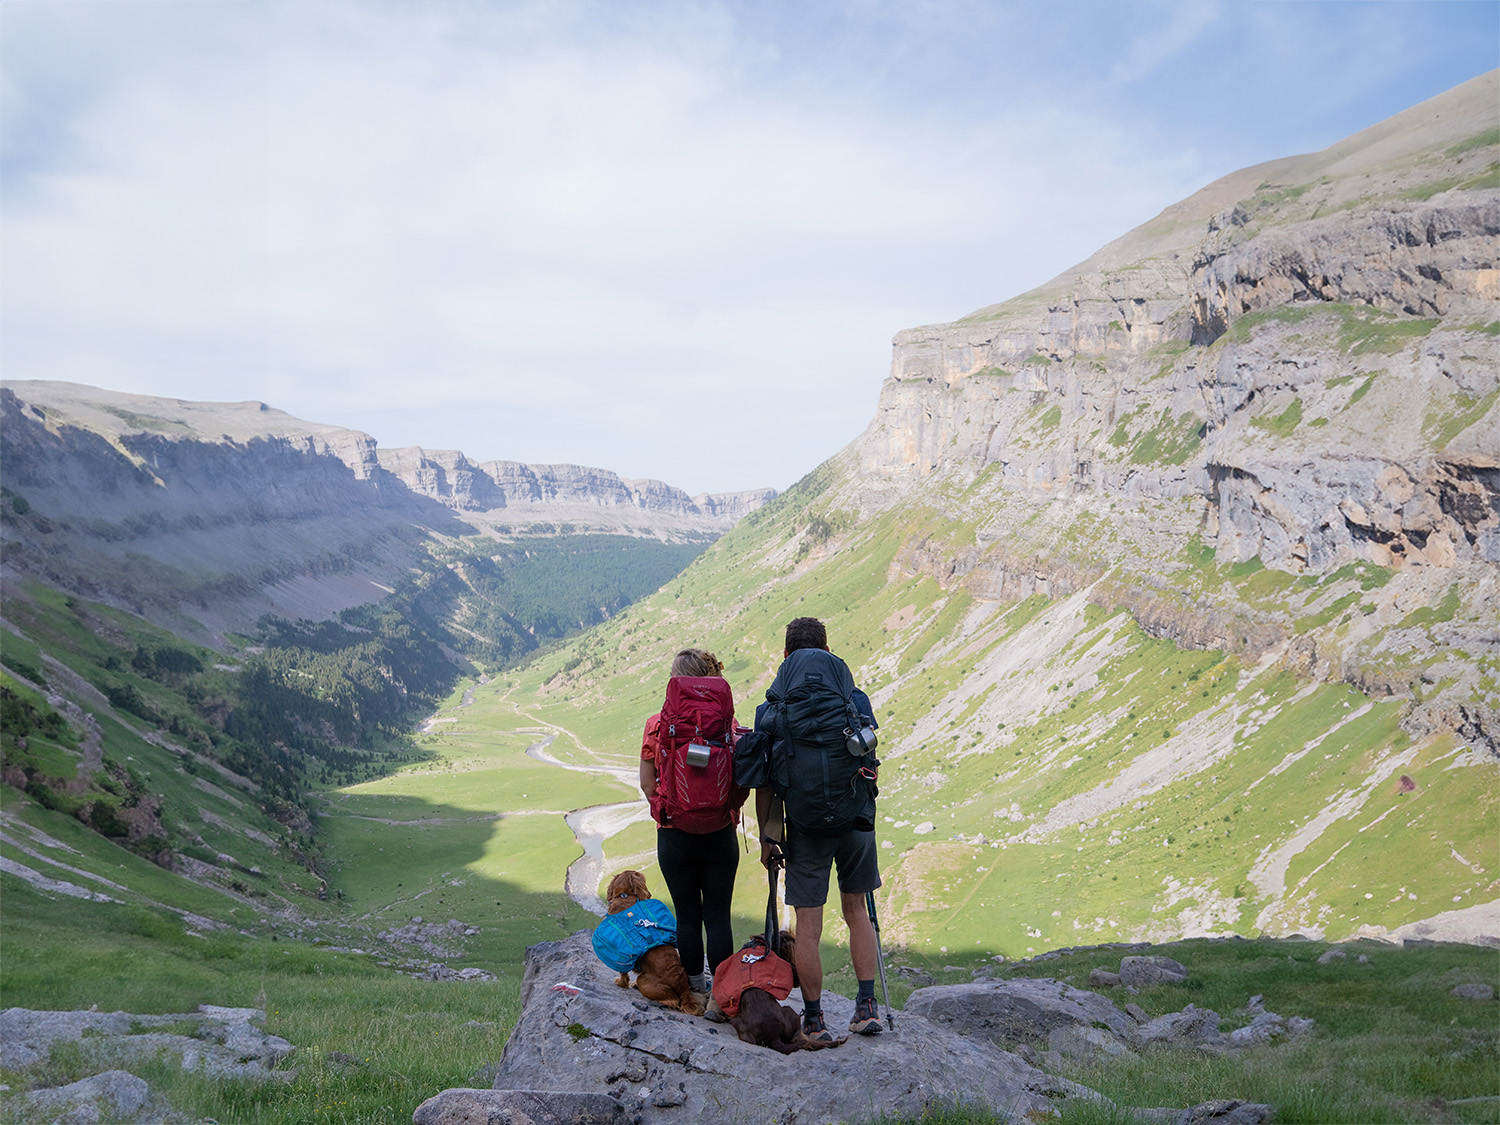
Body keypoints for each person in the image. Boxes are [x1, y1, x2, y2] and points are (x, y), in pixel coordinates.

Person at [753, 617, 884, 1043]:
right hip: (855, 821)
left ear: (786, 656)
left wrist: (768, 838)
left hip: (806, 826)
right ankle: (866, 1008)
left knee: (808, 928)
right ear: (828, 650)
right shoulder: (853, 697)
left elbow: (767, 782)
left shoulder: (774, 711)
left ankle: (814, 1019)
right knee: (857, 913)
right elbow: (869, 759)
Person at [638, 648, 740, 998]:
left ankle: (695, 987)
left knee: (686, 916)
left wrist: (665, 808)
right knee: (719, 916)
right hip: (720, 831)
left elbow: (647, 783)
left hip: (674, 832)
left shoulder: (657, 725)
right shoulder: (727, 723)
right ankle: (722, 995)